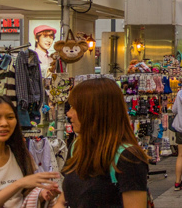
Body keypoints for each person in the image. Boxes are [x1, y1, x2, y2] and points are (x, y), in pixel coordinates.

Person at [53, 77, 150, 208]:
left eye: (75, 108)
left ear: (94, 112)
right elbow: (64, 199)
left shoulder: (127, 158)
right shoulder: (78, 146)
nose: (69, 114)